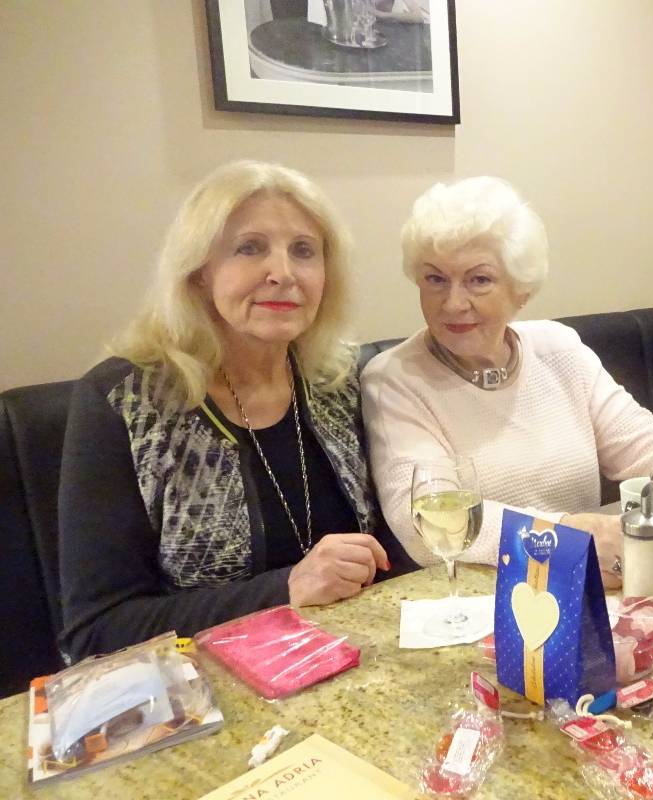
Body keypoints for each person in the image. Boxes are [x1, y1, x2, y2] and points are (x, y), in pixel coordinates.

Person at [59, 160, 415, 660]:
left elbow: (391, 547)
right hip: (208, 687)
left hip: (357, 663)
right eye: (249, 248)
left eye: (303, 251)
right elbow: (97, 631)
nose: (283, 273)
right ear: (199, 272)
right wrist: (284, 589)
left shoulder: (338, 381)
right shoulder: (126, 402)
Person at [362, 177, 653, 585]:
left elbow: (643, 445)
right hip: (470, 601)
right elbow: (425, 522)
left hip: (587, 589)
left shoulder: (558, 348)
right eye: (435, 279)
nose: (453, 303)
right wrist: (564, 536)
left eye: (479, 279)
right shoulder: (396, 379)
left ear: (521, 290)